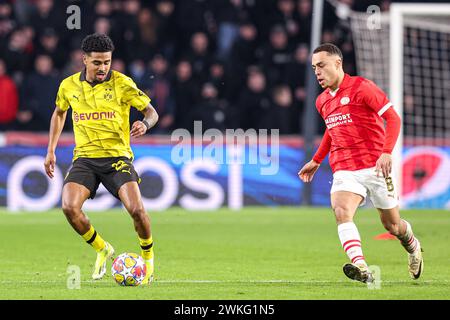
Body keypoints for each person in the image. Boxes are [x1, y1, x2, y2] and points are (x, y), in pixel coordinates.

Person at [298, 43, 423, 284]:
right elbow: (331, 130)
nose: (317, 73)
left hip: (376, 166)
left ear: (338, 63)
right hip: (345, 167)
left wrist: (386, 152)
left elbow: (393, 118)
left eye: (321, 66)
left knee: (393, 226)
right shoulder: (322, 100)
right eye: (314, 68)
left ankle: (413, 245)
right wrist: (316, 160)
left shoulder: (362, 87)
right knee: (341, 210)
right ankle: (361, 265)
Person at [44, 34, 159, 285]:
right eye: (97, 62)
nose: (103, 67)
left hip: (117, 157)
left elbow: (152, 112)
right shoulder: (68, 86)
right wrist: (51, 149)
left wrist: (145, 124)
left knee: (137, 210)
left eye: (107, 62)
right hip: (85, 158)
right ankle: (102, 248)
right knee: (69, 207)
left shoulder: (122, 83)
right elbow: (59, 112)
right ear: (84, 59)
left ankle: (148, 259)